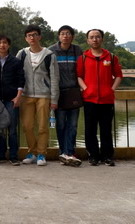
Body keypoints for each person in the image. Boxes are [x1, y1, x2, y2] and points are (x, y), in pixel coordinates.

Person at [77, 29, 123, 167]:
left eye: (97, 37)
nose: (94, 39)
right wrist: (86, 89)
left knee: (106, 129)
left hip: (106, 100)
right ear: (87, 40)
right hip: (89, 99)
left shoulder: (111, 57)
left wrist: (111, 89)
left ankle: (107, 156)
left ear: (102, 39)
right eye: (91, 37)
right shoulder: (83, 58)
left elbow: (118, 75)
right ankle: (93, 156)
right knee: (90, 130)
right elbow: (79, 76)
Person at [16, 24, 59, 167]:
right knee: (27, 126)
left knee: (42, 127)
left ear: (39, 37)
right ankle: (32, 152)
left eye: (34, 35)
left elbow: (54, 78)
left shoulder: (49, 55)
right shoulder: (22, 54)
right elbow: (16, 74)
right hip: (26, 95)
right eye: (29, 35)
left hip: (44, 95)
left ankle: (41, 153)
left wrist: (54, 99)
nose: (32, 38)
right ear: (26, 38)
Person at [49, 25, 83, 167]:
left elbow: (82, 70)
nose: (65, 36)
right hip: (59, 92)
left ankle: (70, 152)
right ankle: (63, 152)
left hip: (74, 92)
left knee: (73, 125)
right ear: (59, 36)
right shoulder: (51, 51)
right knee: (61, 124)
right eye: (63, 33)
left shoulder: (77, 50)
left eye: (68, 34)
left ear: (72, 36)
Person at [0, 34, 24, 166]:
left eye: (4, 42)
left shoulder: (16, 61)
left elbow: (21, 80)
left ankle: (13, 155)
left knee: (12, 129)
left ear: (9, 45)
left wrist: (18, 97)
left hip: (11, 99)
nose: (2, 45)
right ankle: (1, 154)